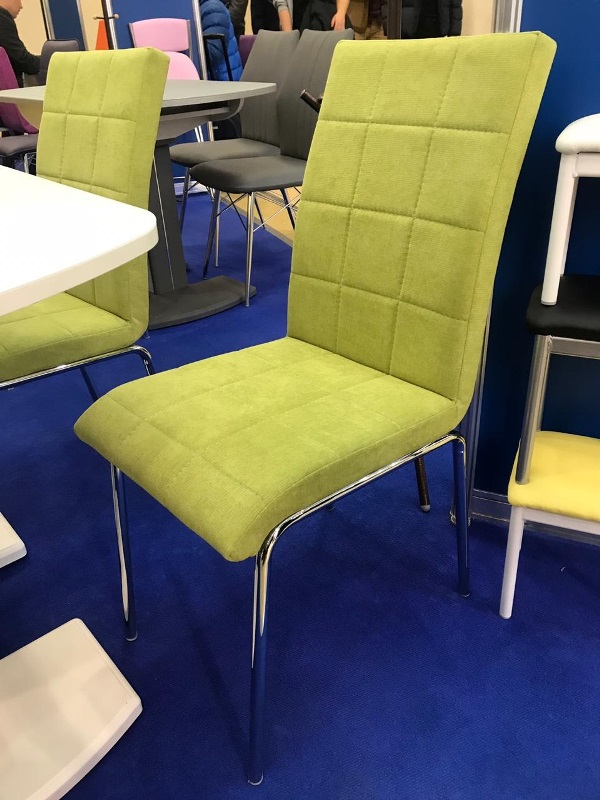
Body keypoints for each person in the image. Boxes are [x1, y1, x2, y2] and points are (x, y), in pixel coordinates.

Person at [0, 0, 39, 87]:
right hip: (10, 92)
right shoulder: (2, 19)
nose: (21, 6)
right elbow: (22, 60)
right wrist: (52, 62)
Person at [271, 0, 350, 33]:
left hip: (330, 15)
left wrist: (341, 13)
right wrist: (289, 37)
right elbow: (282, 4)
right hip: (300, 24)